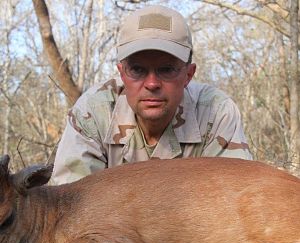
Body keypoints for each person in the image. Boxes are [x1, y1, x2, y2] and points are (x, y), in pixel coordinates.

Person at [51, 5, 252, 184]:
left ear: (188, 75)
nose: (152, 84)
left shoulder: (216, 112)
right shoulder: (92, 112)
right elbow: (72, 211)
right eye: (137, 70)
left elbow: (236, 203)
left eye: (166, 70)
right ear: (121, 73)